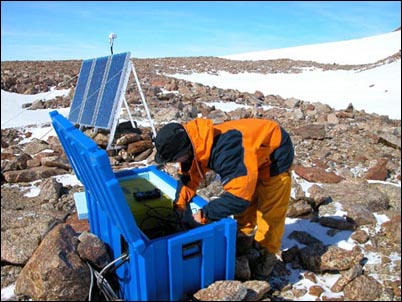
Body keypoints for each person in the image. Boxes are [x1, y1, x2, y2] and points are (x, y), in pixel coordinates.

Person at [154, 117, 294, 280]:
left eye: (174, 159)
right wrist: (180, 206)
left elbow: (238, 199)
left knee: (269, 212)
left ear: (184, 152)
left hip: (275, 154)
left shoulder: (227, 151)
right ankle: (244, 239)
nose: (175, 163)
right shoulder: (197, 143)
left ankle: (265, 259)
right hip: (250, 154)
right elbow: (188, 178)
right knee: (247, 198)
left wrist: (203, 216)